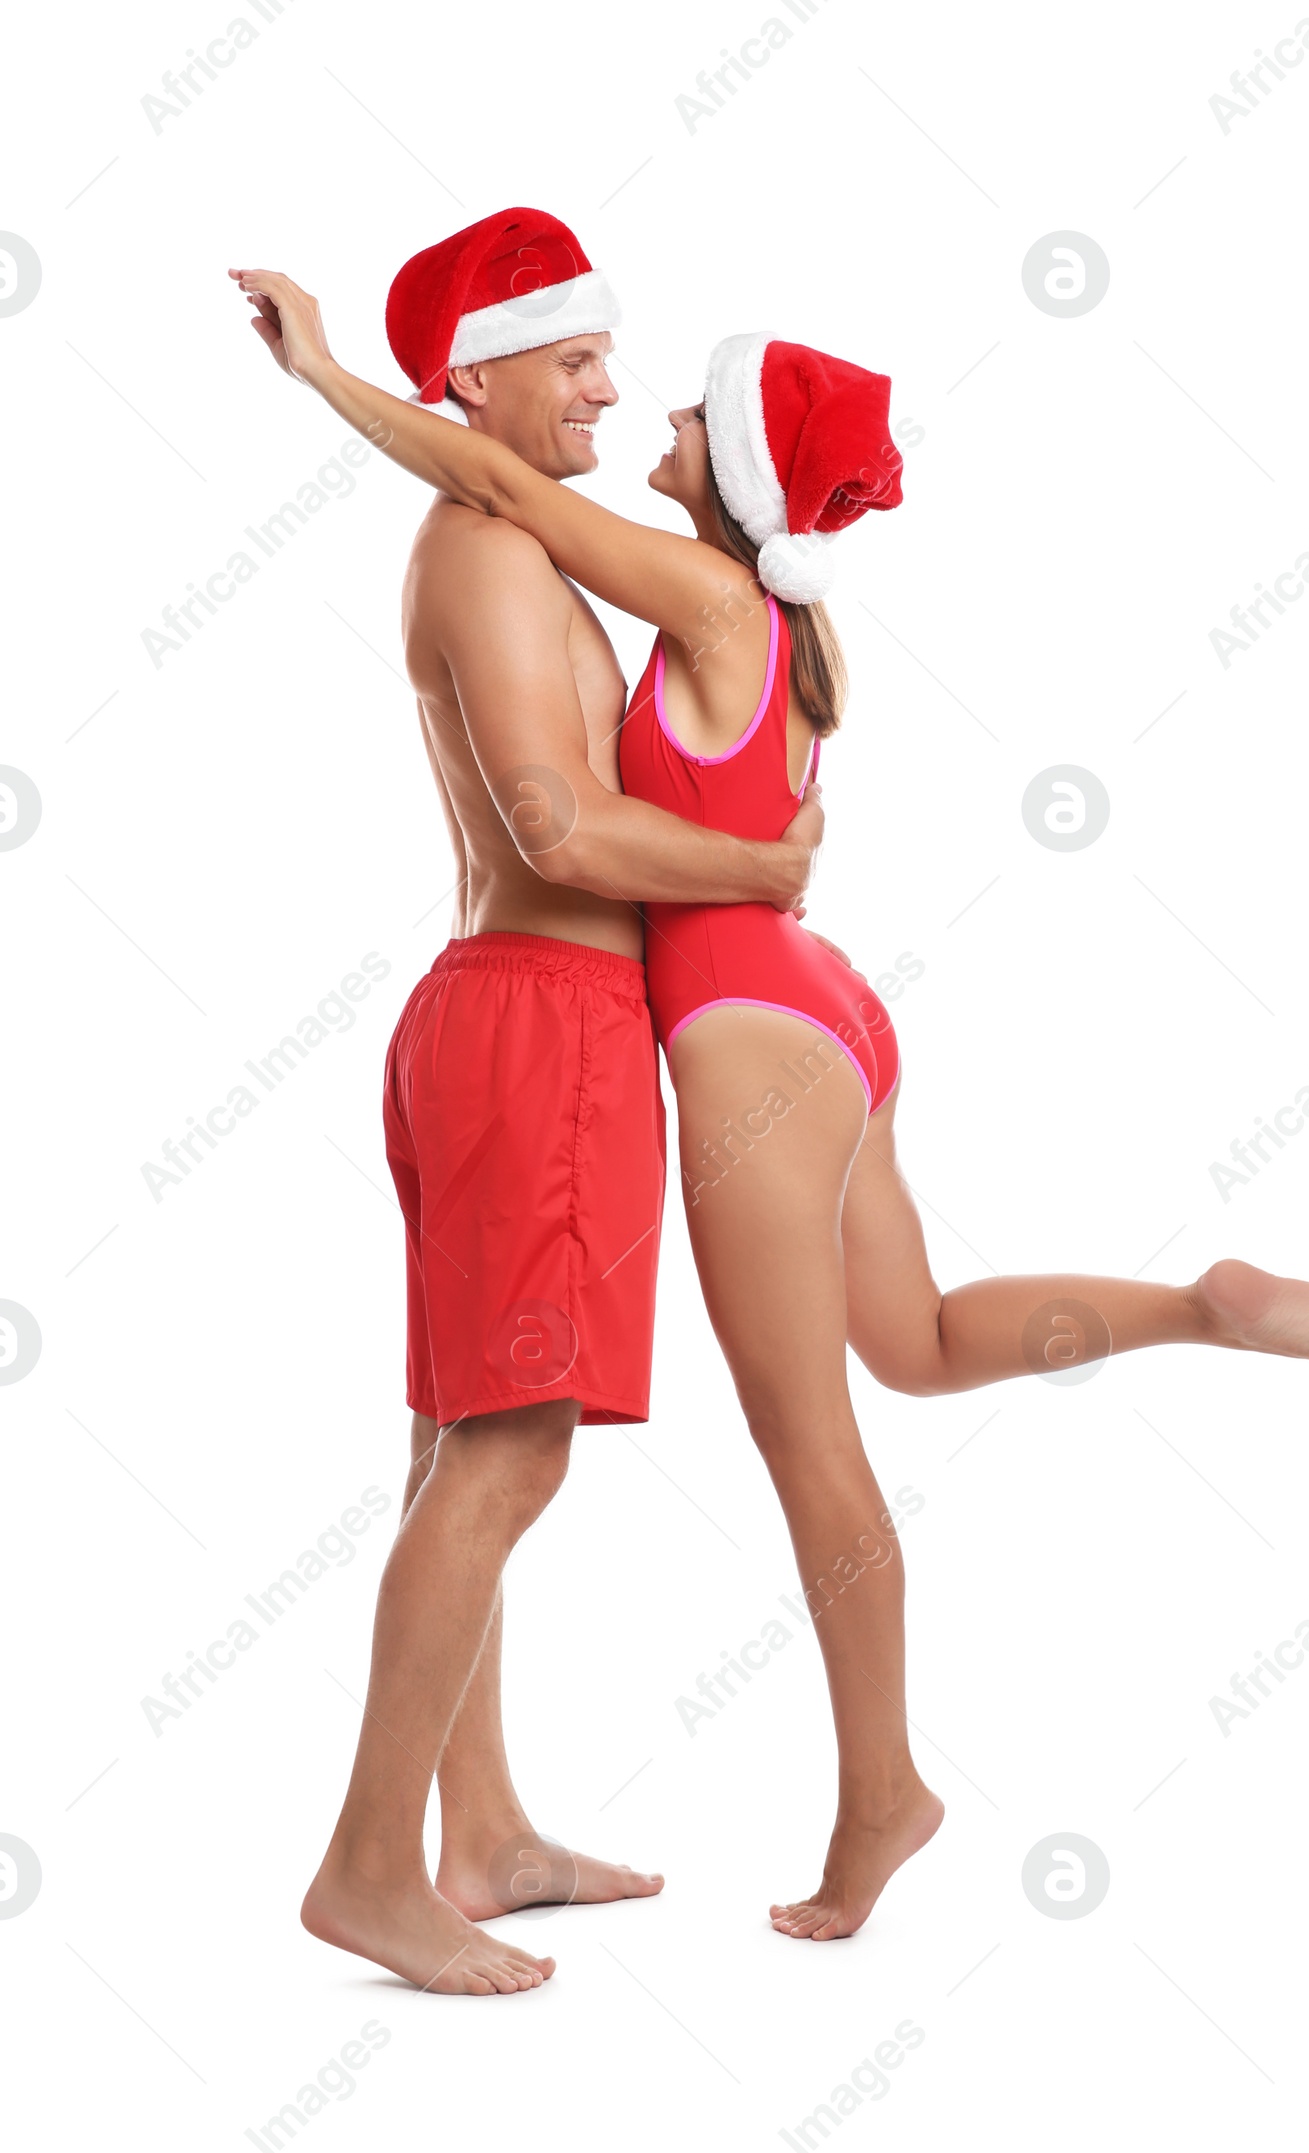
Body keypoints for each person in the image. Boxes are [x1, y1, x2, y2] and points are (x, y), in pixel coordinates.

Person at [232, 262, 1309, 1946]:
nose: (647, 408)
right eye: (592, 364)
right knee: (917, 1339)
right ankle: (1198, 1303)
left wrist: (332, 378)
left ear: (745, 479)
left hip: (740, 1029)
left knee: (810, 1444)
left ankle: (881, 1792)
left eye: (691, 409)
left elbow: (490, 486)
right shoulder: (770, 621)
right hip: (816, 1004)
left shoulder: (714, 602)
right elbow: (493, 492)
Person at [234, 212, 825, 1995]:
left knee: (460, 1437)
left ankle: (476, 1832)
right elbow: (561, 830)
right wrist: (761, 860)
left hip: (515, 1019)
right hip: (536, 1021)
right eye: (572, 359)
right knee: (512, 1446)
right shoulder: (489, 561)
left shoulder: (511, 538)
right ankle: (365, 1862)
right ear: (479, 373)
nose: (605, 387)